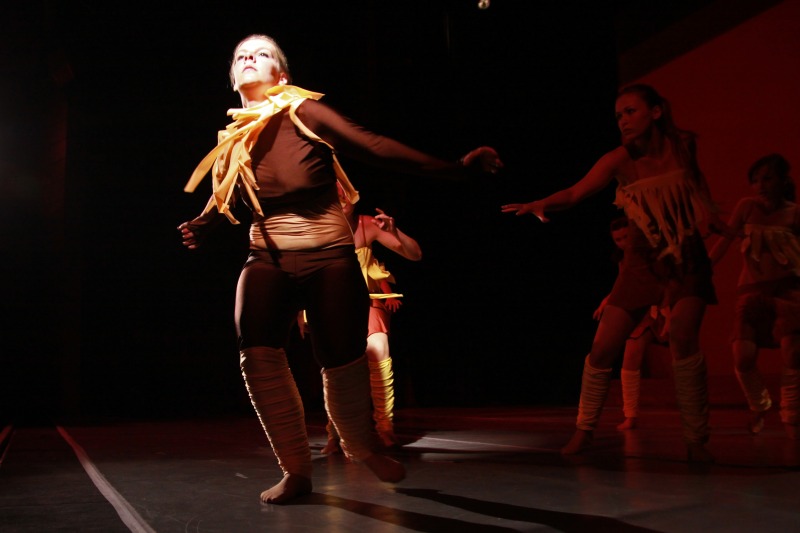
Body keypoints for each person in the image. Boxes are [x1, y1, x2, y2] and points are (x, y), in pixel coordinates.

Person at [178, 34, 502, 504]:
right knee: (257, 354)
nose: (249, 57)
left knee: (340, 357)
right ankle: (295, 470)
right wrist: (204, 223)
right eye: (241, 55)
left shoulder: (304, 112)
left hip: (328, 256)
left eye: (262, 53)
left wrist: (456, 168)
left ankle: (361, 447)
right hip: (266, 255)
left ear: (282, 76)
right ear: (232, 78)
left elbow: (374, 145)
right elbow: (224, 190)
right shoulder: (232, 140)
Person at [501, 83, 724, 462]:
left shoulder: (683, 145)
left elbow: (696, 180)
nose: (622, 121)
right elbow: (576, 192)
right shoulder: (619, 160)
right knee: (603, 347)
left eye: (630, 112)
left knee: (683, 339)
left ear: (656, 112)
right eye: (618, 115)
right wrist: (542, 203)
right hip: (642, 261)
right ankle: (584, 430)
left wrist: (711, 213)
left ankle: (696, 439)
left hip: (686, 255)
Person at [313, 185, 422, 454]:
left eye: (345, 191)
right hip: (334, 304)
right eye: (334, 193)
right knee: (336, 368)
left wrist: (394, 232)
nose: (341, 197)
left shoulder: (368, 225)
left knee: (379, 350)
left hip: (368, 299)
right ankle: (335, 432)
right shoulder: (317, 229)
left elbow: (415, 254)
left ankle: (385, 427)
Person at [708, 154, 800, 440]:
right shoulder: (747, 206)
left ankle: (792, 416)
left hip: (789, 291)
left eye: (767, 178)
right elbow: (725, 239)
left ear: (783, 180)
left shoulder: (794, 213)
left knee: (793, 354)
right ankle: (760, 405)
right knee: (743, 357)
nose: (760, 185)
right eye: (756, 180)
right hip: (751, 292)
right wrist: (703, 267)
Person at [594, 217, 670, 431]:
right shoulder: (624, 260)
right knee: (630, 358)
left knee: (682, 353)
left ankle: (693, 412)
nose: (623, 242)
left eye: (626, 237)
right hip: (640, 311)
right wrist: (607, 301)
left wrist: (667, 309)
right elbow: (623, 286)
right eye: (618, 239)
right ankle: (630, 415)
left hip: (662, 306)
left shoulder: (652, 251)